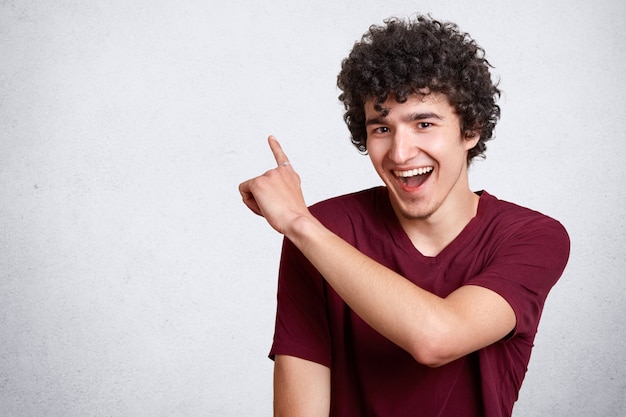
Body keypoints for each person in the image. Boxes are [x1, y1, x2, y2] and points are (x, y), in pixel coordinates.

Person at [239, 14, 570, 417]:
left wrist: (299, 223)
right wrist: (304, 230)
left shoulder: (533, 237)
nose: (399, 153)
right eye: (381, 129)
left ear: (471, 130)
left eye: (424, 123)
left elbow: (438, 339)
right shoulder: (322, 232)